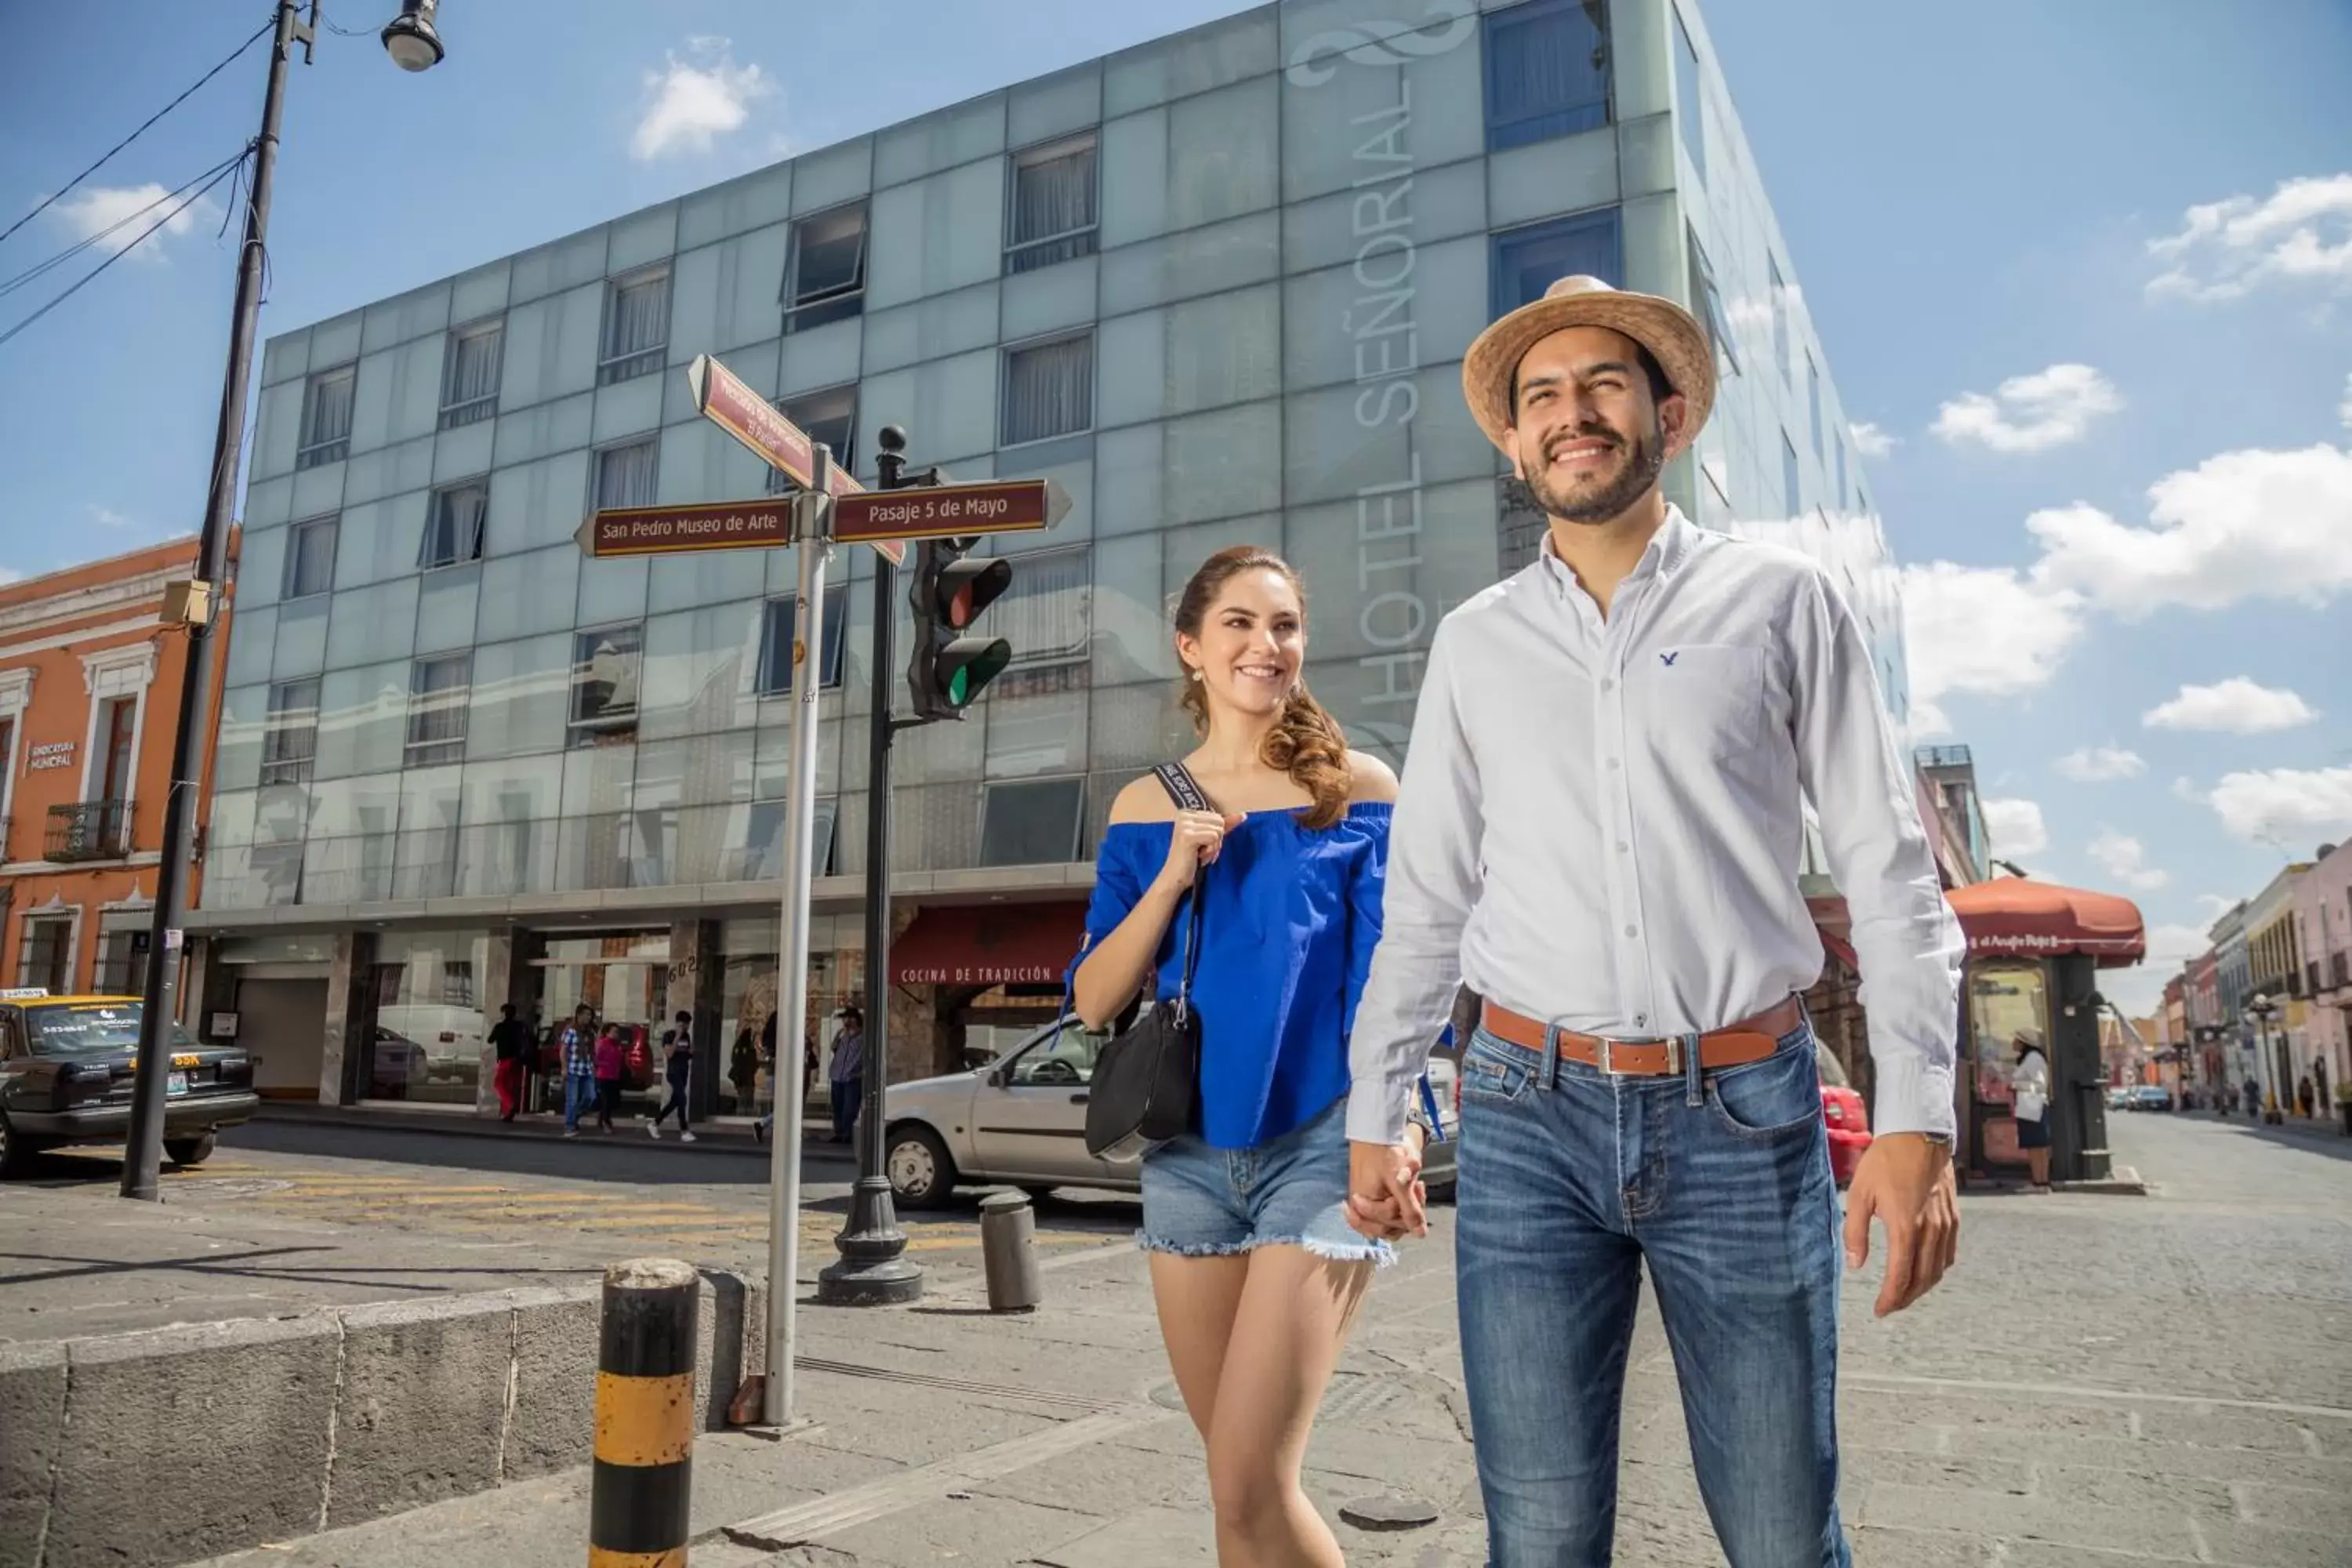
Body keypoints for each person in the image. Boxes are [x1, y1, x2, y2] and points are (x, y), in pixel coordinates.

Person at [1345, 275, 1965, 1567]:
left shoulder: (1785, 605)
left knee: (1785, 1531)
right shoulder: (1474, 643)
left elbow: (1891, 875)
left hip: (1747, 1115)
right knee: (1543, 1535)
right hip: (1523, 1117)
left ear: (1667, 416)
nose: (1574, 414)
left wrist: (1917, 1122)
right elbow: (1426, 902)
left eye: (1605, 385)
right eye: (1544, 397)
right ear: (1515, 442)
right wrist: (1378, 1112)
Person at [1070, 543, 1417, 1568]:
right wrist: (1174, 874)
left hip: (1321, 1144)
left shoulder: (1356, 789)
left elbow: (1391, 979)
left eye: (1284, 627)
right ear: (1190, 647)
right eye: (1240, 624)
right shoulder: (1144, 808)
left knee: (1250, 1477)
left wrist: (1392, 1127)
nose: (1266, 645)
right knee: (1238, 1492)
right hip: (1186, 1161)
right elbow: (1095, 999)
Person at [2011, 1028, 2053, 1192]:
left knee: (2037, 1147)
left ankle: (2039, 1182)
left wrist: (2015, 1085)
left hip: (2033, 1108)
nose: (2013, 1043)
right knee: (2037, 1146)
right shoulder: (2030, 1058)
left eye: (2016, 1040)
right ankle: (2041, 1182)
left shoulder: (2033, 1059)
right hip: (2030, 1108)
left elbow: (2040, 1084)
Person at [648, 1011, 697, 1142]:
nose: (686, 1028)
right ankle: (684, 1130)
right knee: (682, 1099)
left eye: (687, 1025)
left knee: (675, 1101)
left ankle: (655, 1123)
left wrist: (691, 1050)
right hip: (673, 1072)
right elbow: (669, 1054)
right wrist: (677, 1036)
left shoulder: (687, 1036)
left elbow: (689, 1054)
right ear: (678, 1023)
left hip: (683, 1072)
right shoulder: (669, 1036)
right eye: (684, 1025)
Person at [826, 1007, 866, 1145]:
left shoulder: (863, 1038)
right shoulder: (843, 1036)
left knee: (849, 1108)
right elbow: (833, 1048)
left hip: (852, 1077)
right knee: (837, 1106)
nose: (847, 1021)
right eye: (845, 1019)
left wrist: (861, 1071)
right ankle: (839, 1132)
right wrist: (839, 1035)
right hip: (838, 1075)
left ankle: (848, 1134)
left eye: (850, 1018)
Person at [488, 1003, 530, 1123]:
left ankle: (510, 1105)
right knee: (510, 1086)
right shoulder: (519, 1026)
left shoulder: (500, 1027)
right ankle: (507, 1114)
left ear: (504, 1014)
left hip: (504, 1060)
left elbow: (490, 1040)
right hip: (517, 1061)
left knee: (499, 1084)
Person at [559, 1007, 597, 1138]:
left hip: (587, 1068)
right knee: (572, 1099)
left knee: (590, 1097)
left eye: (590, 1015)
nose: (588, 1018)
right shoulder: (571, 1031)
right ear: (578, 1015)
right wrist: (564, 1067)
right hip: (573, 1069)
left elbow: (592, 1051)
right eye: (585, 1015)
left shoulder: (591, 1033)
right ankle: (569, 1126)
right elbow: (563, 1050)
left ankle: (574, 1116)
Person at [592, 1022, 625, 1134]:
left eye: (617, 1032)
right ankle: (606, 1122)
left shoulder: (617, 1045)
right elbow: (596, 1059)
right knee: (605, 1100)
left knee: (611, 1101)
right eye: (614, 1032)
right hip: (603, 1075)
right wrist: (605, 1065)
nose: (616, 1034)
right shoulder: (602, 1044)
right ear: (607, 1033)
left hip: (614, 1076)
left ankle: (603, 1120)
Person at [729, 1025, 758, 1116]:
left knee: (742, 1097)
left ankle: (741, 1113)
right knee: (747, 1097)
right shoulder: (748, 1048)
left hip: (740, 1077)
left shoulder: (738, 1046)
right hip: (746, 1078)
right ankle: (745, 1113)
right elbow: (753, 1062)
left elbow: (733, 1059)